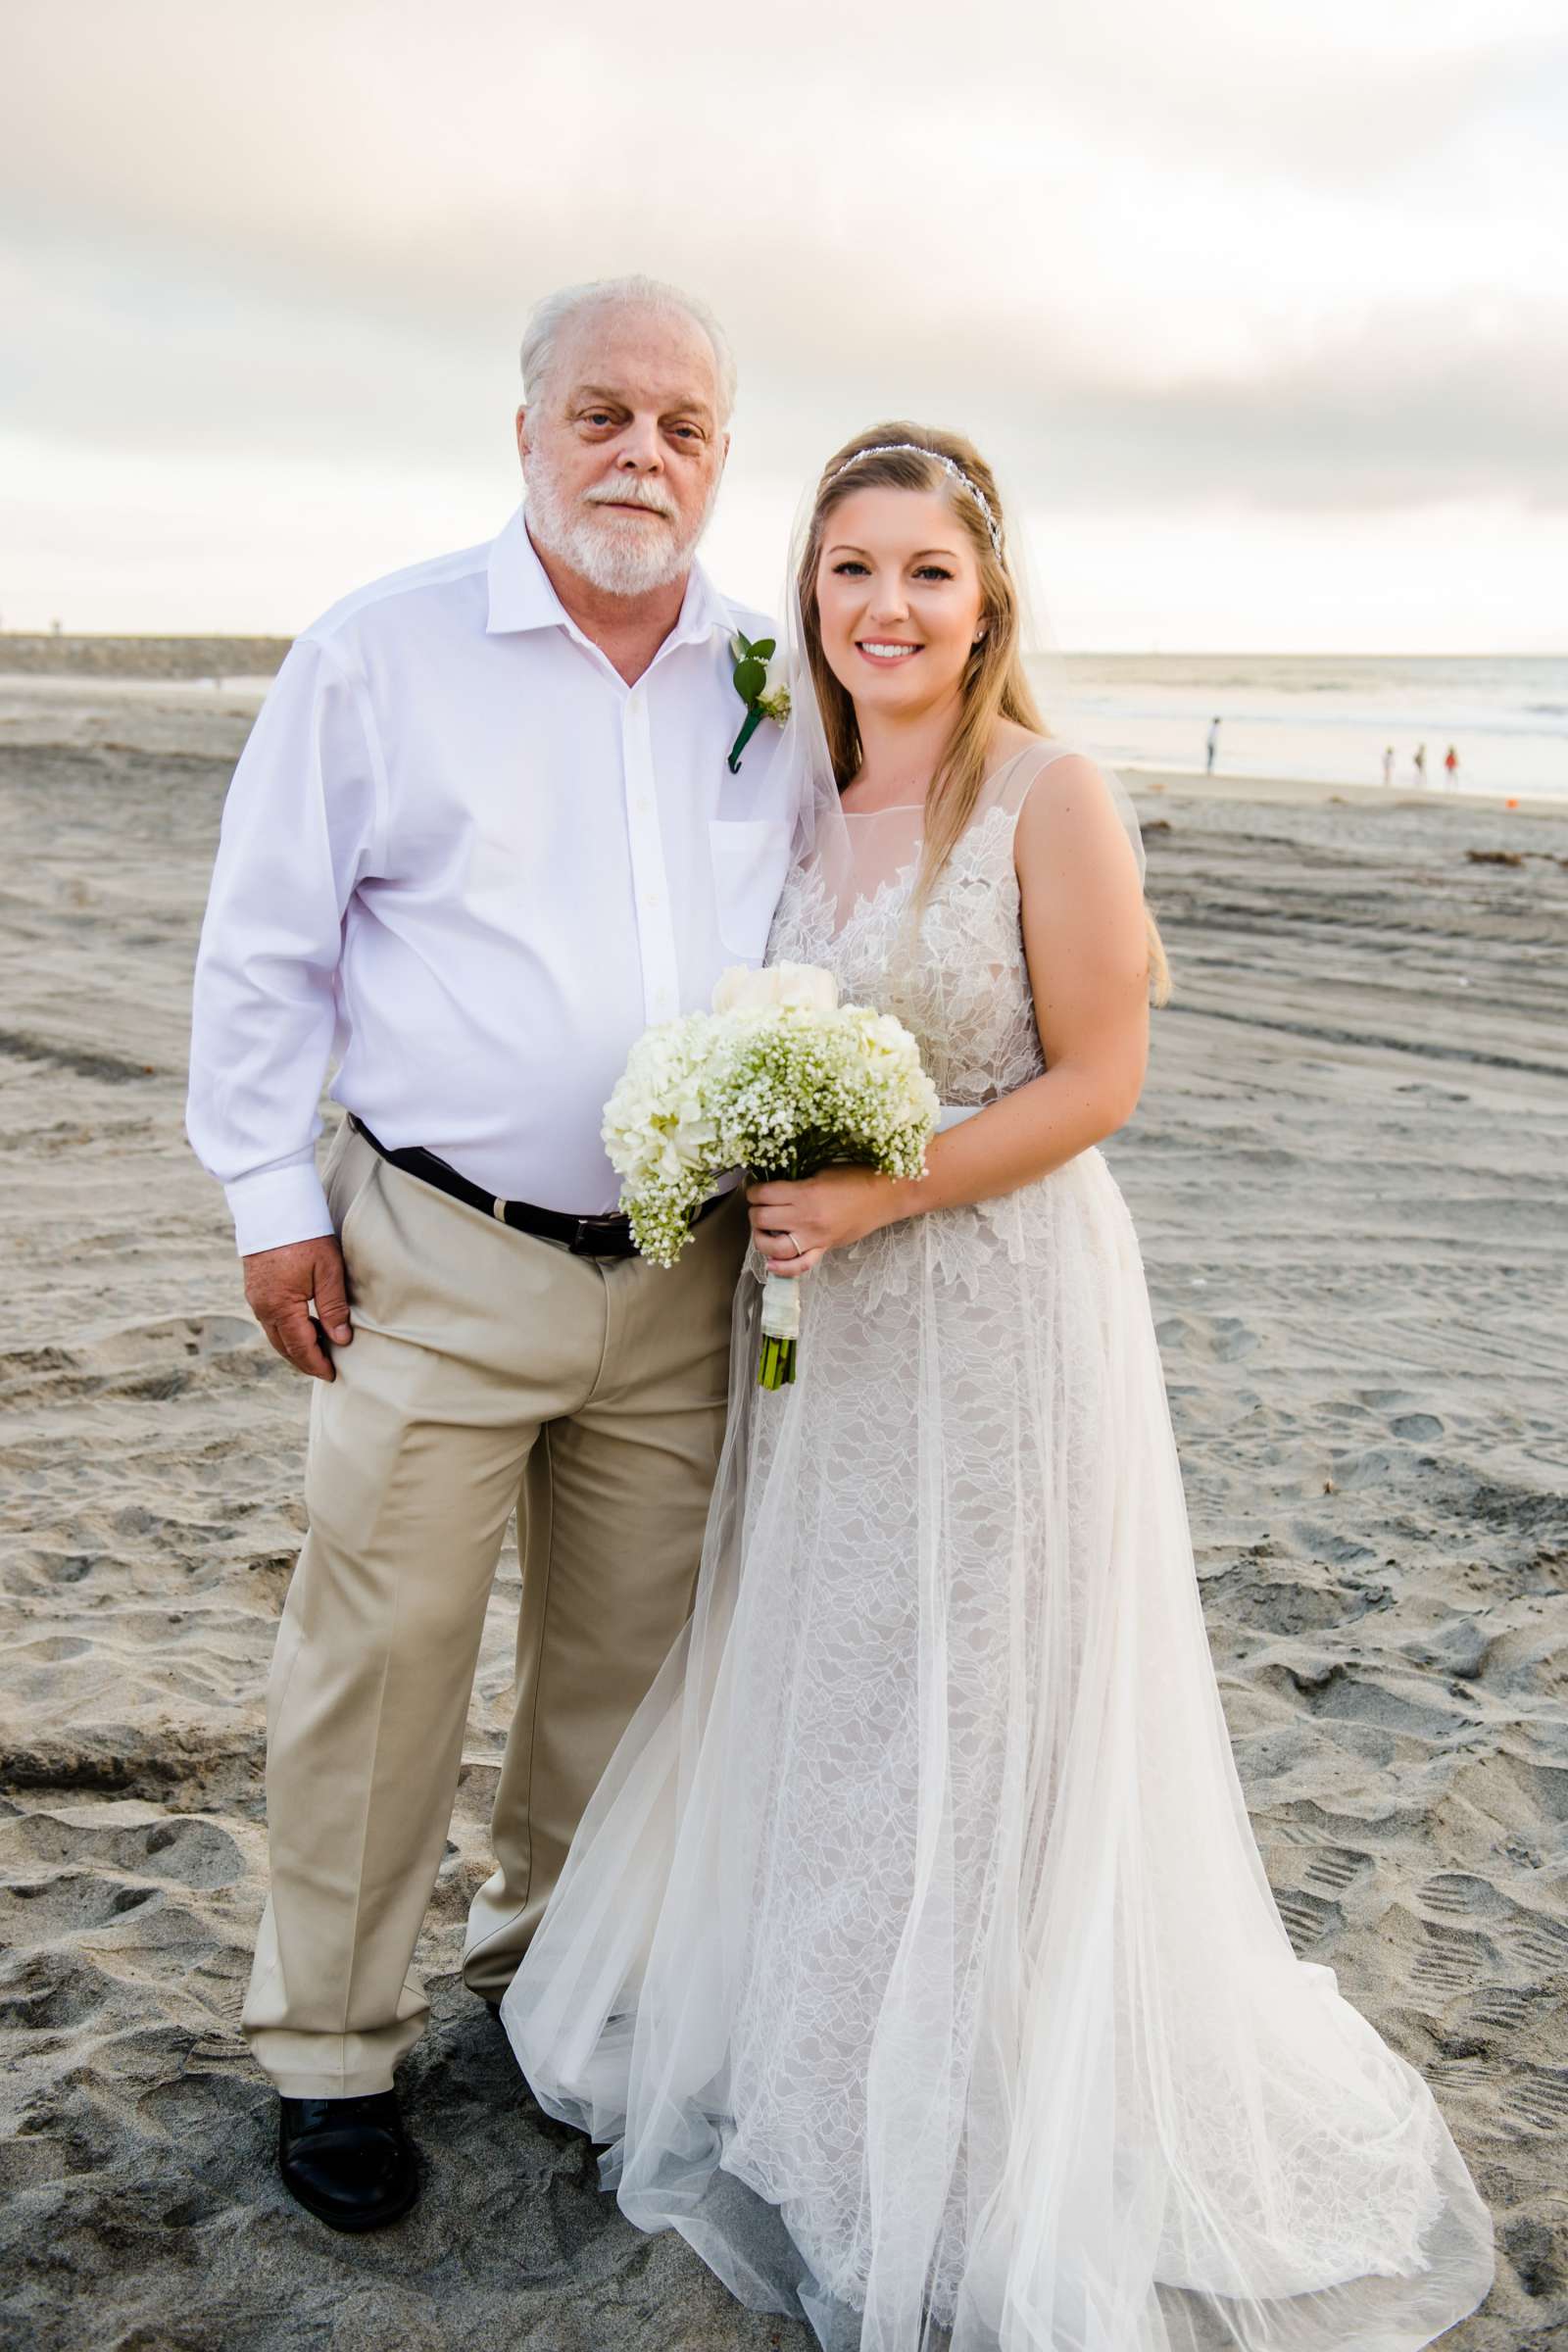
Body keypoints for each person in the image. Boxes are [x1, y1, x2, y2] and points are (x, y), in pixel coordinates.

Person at [503, 427, 1495, 2350]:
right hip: (819, 1332)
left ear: (985, 603)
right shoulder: (787, 791)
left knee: (990, 1695)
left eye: (923, 575)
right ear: (810, 597)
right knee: (840, 1681)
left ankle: (978, 2096)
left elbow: (1096, 1080)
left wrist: (887, 1190)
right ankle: (819, 2063)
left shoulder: (1050, 794)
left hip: (999, 1296)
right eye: (850, 570)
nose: (884, 607)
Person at [184, 275, 796, 2230]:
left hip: (681, 1276)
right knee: (380, 1664)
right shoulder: (378, 654)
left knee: (617, 1677)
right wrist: (273, 1206)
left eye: (682, 426)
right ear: (524, 431)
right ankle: (330, 2049)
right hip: (433, 1256)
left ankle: (552, 1995)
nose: (641, 454)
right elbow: (265, 945)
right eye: (601, 413)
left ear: (719, 456)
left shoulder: (768, 676)